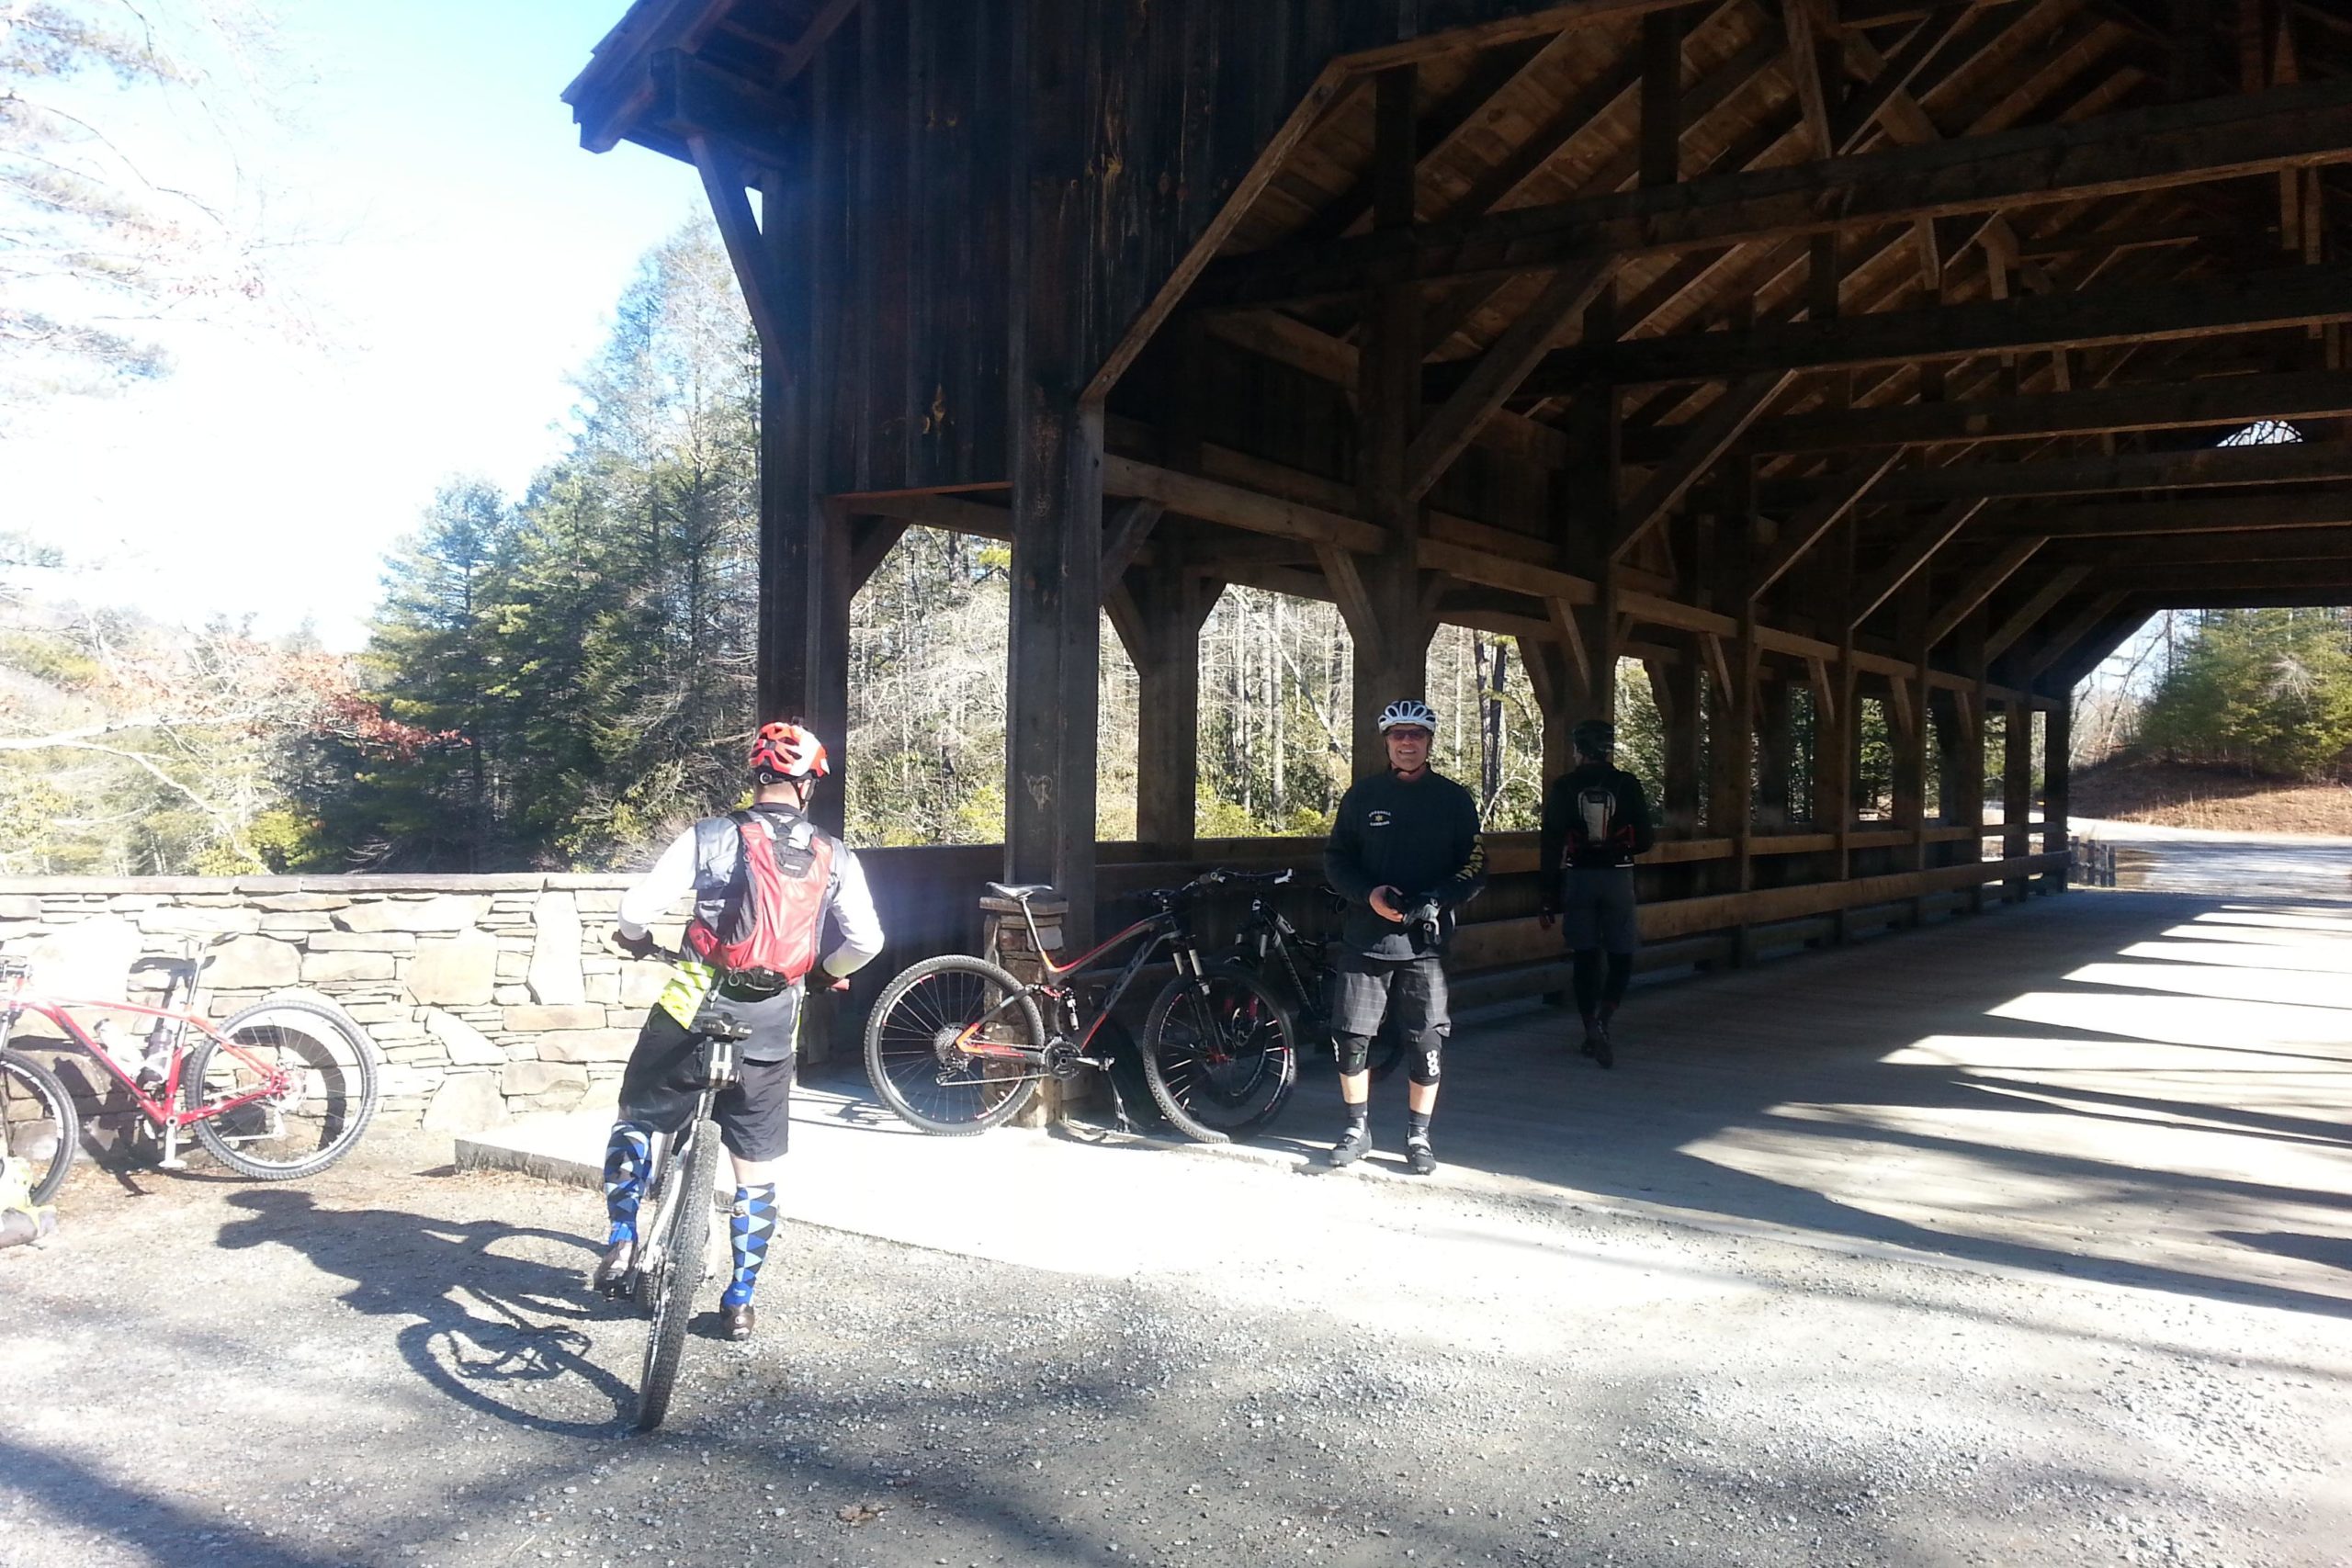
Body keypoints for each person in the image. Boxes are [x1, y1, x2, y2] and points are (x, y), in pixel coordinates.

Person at [595, 721, 884, 1341]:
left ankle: (622, 1238)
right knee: (756, 1165)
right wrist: (825, 973)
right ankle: (739, 1302)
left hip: (691, 1004)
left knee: (637, 1117)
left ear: (756, 778)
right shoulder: (834, 853)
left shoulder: (710, 836)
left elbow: (635, 910)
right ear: (807, 786)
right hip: (772, 1022)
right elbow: (867, 939)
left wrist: (637, 937)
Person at [1321, 699, 1487, 1176]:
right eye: (1398, 735)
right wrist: (1367, 894)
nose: (1407, 743)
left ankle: (1419, 1135)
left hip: (1425, 943)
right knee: (1352, 1038)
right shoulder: (1362, 796)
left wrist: (1441, 897)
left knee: (1426, 1040)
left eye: (1416, 734)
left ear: (1430, 742)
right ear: (1387, 743)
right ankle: (1356, 1129)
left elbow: (1475, 866)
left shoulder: (1454, 800)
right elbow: (1336, 860)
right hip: (1366, 936)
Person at [1538, 718, 1654, 1068]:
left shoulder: (1565, 787)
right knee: (1621, 952)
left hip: (1579, 878)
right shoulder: (1627, 784)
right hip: (1618, 877)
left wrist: (1547, 896)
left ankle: (1589, 1026)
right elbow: (1646, 842)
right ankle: (1604, 1019)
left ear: (1579, 750)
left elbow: (1550, 843)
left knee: (1585, 955)